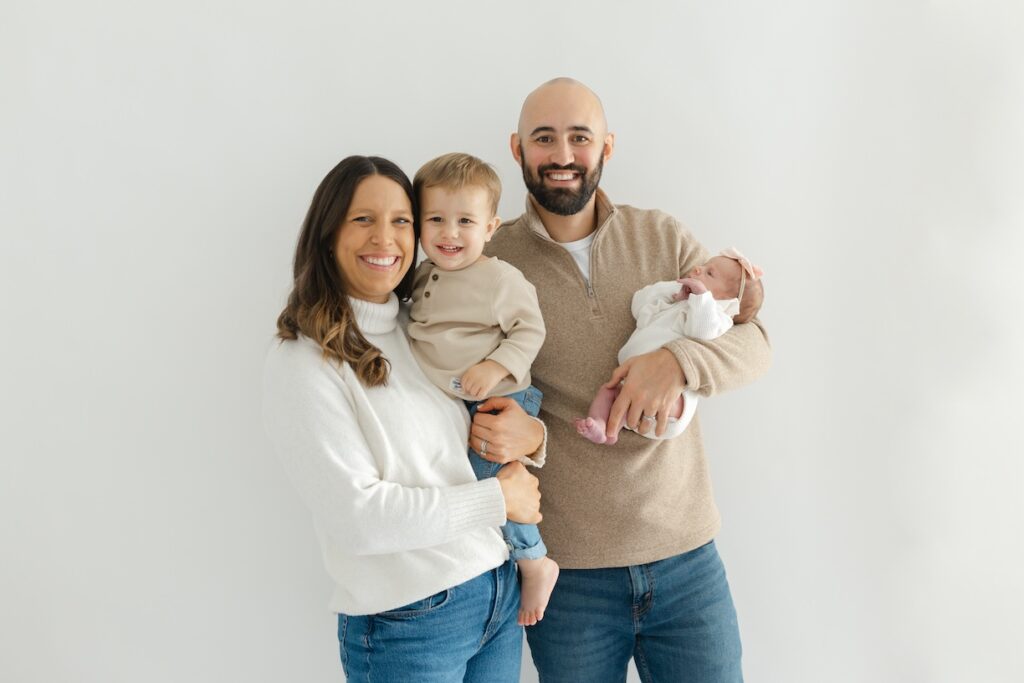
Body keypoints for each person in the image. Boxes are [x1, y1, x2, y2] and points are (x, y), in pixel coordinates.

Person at [486, 78, 772, 682]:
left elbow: (754, 343)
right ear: (517, 149)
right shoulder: (492, 262)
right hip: (567, 580)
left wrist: (678, 363)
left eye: (579, 137)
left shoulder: (661, 237)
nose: (563, 155)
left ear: (607, 148)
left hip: (688, 562)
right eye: (544, 138)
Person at [262, 155, 546, 682]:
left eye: (401, 220)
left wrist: (531, 435)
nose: (385, 238)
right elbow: (359, 519)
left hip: (495, 593)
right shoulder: (304, 363)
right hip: (411, 621)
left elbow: (467, 434)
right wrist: (495, 500)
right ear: (327, 234)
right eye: (362, 219)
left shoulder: (418, 329)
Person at [407, 152, 560, 626]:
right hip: (458, 401)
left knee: (490, 484)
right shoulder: (420, 276)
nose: (449, 233)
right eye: (436, 219)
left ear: (491, 227)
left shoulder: (499, 279)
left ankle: (534, 560)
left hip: (501, 399)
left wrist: (495, 366)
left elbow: (529, 331)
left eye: (465, 221)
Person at [575, 248, 765, 445]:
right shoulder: (678, 303)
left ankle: (617, 424)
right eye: (705, 266)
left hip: (675, 403)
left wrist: (701, 299)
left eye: (709, 273)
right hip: (629, 381)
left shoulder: (718, 317)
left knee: (633, 398)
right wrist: (674, 290)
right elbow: (639, 305)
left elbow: (702, 333)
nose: (698, 268)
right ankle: (601, 426)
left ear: (727, 301)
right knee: (608, 391)